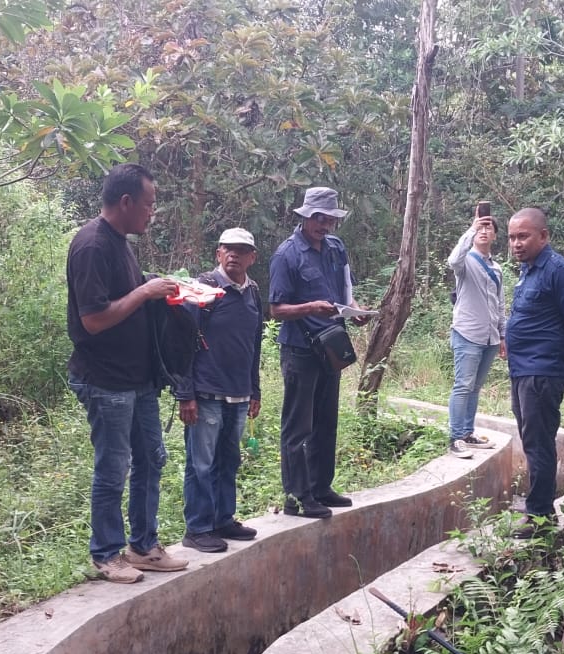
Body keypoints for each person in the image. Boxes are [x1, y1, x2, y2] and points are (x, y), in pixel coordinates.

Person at [66, 163, 188, 583]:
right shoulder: (92, 246)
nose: (152, 212)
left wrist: (153, 282)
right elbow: (94, 319)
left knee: (152, 458)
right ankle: (106, 553)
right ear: (125, 202)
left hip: (138, 379)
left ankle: (144, 546)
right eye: (149, 204)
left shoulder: (120, 243)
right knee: (113, 465)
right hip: (106, 379)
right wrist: (144, 291)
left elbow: (122, 293)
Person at [269, 187, 370, 518]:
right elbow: (276, 309)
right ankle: (297, 496)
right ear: (305, 216)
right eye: (317, 217)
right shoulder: (287, 255)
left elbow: (346, 292)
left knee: (327, 421)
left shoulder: (336, 248)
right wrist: (309, 307)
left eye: (328, 219)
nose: (323, 224)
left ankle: (320, 486)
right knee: (299, 425)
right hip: (300, 349)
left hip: (332, 346)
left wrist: (355, 311)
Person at [503, 208, 564, 538]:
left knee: (539, 442)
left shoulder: (559, 271)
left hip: (543, 370)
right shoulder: (528, 271)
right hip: (523, 369)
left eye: (523, 236)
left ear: (544, 236)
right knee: (531, 439)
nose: (516, 243)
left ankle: (540, 516)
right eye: (512, 237)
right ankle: (537, 508)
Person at [174, 228, 265, 553]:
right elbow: (182, 342)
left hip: (239, 394)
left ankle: (223, 519)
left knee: (229, 460)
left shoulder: (253, 293)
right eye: (228, 249)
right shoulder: (203, 290)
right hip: (207, 393)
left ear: (252, 257)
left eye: (242, 251)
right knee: (201, 463)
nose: (234, 255)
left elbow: (254, 344)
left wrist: (255, 390)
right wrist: (185, 393)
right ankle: (198, 528)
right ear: (218, 253)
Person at [447, 215, 506, 459]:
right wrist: (470, 229)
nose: (483, 231)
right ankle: (455, 438)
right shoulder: (465, 262)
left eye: (488, 228)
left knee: (475, 387)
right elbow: (453, 260)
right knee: (462, 385)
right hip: (467, 333)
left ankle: (468, 433)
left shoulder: (496, 268)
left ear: (494, 235)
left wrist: (503, 335)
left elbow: (500, 303)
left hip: (490, 337)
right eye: (480, 227)